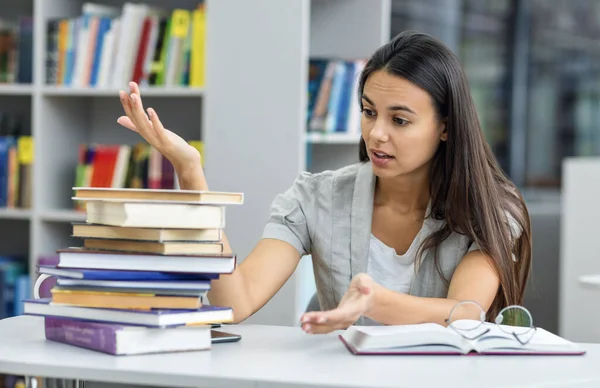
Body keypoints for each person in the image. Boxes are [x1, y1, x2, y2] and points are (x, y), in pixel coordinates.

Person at [117, 30, 532, 335]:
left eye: (399, 120)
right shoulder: (316, 196)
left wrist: (374, 301)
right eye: (369, 112)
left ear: (445, 126)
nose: (376, 134)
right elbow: (235, 302)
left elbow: (465, 313)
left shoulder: (492, 209)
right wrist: (192, 174)